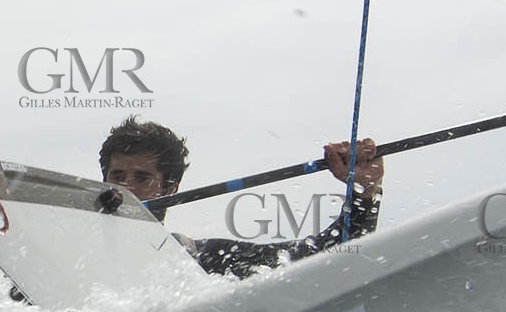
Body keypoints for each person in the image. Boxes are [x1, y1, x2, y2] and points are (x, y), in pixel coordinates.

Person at [98, 116, 384, 278]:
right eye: (118, 176)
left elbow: (321, 254)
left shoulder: (197, 260)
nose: (127, 188)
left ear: (170, 189)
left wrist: (365, 192)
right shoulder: (63, 243)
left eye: (142, 178)